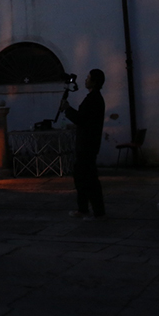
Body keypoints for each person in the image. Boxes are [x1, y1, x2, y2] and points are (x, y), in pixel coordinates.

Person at [61, 69, 107, 219]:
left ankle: (88, 209)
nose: (85, 80)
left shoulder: (93, 99)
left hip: (87, 145)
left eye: (88, 78)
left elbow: (81, 118)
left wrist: (67, 109)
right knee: (86, 178)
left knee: (86, 179)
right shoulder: (95, 99)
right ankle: (92, 209)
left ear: (94, 81)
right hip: (89, 144)